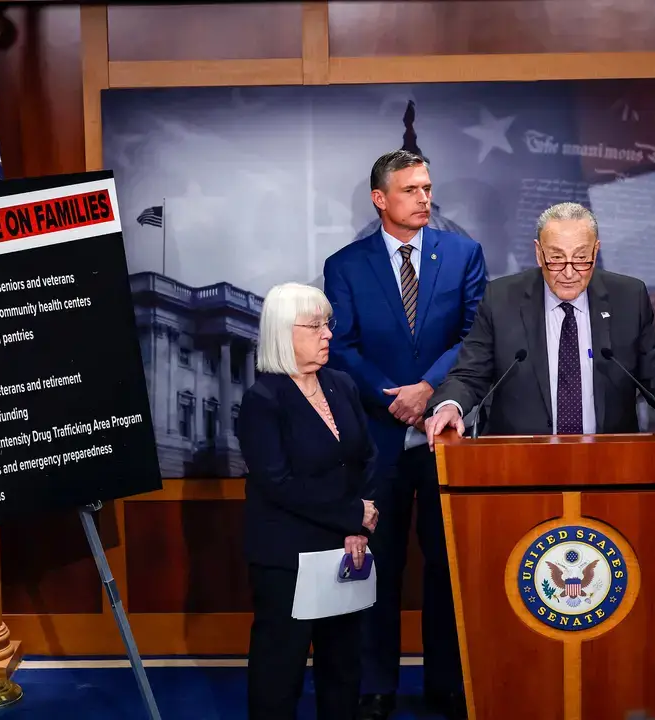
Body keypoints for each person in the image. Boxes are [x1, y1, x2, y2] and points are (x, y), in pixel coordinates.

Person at [323, 149, 487, 720]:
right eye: (412, 189)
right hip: (377, 438)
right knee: (379, 565)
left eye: (428, 188)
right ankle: (375, 685)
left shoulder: (463, 254)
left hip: (446, 435)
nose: (425, 198)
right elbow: (340, 348)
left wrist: (428, 390)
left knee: (448, 566)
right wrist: (396, 397)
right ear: (380, 199)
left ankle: (448, 681)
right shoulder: (344, 265)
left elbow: (475, 335)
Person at [425, 201, 655, 443]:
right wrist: (451, 406)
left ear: (596, 252)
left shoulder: (628, 297)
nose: (569, 272)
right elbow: (470, 373)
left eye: (581, 258)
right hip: (518, 463)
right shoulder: (501, 298)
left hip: (610, 460)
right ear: (538, 252)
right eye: (556, 258)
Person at [237, 282, 381, 720]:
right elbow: (279, 483)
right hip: (287, 558)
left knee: (343, 666)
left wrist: (357, 528)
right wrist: (351, 515)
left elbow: (367, 459)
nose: (328, 335)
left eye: (327, 324)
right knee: (280, 672)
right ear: (284, 332)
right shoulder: (262, 400)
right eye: (315, 325)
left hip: (346, 550)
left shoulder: (341, 384)